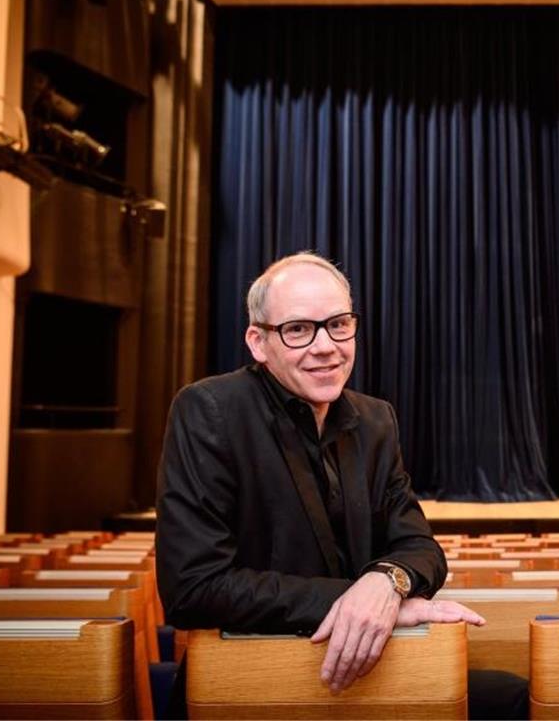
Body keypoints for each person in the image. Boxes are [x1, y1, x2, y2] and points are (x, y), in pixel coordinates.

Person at [155, 252, 488, 700]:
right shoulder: (208, 409)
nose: (326, 345)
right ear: (257, 342)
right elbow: (193, 588)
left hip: (367, 672)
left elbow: (419, 547)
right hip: (250, 677)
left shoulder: (375, 420)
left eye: (338, 323)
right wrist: (356, 599)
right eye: (297, 329)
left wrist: (385, 582)